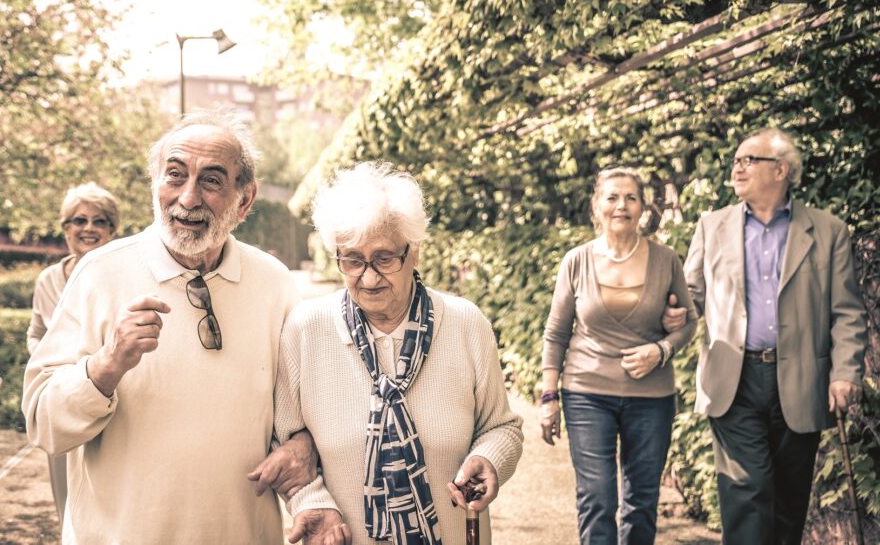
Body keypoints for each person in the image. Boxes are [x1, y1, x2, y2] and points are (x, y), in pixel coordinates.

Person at [22, 110, 316, 544]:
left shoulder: (274, 283)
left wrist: (304, 445)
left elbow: (302, 411)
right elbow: (43, 424)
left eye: (211, 180)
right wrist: (105, 365)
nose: (188, 198)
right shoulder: (99, 273)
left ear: (245, 199)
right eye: (174, 175)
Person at [271, 162, 524, 545]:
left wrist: (489, 458)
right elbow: (282, 439)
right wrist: (313, 501)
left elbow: (501, 427)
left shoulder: (465, 323)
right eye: (352, 260)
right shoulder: (306, 329)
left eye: (384, 258)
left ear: (414, 251)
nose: (369, 277)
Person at [663, 129, 866, 544]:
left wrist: (845, 372)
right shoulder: (712, 226)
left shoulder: (828, 231)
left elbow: (847, 311)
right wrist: (671, 319)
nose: (737, 169)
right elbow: (691, 297)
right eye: (735, 161)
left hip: (802, 380)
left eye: (748, 160)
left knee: (789, 506)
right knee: (747, 493)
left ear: (781, 170)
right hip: (733, 381)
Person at [540, 166, 698, 545]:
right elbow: (556, 334)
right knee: (597, 497)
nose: (621, 205)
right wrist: (549, 397)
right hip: (587, 392)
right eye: (612, 197)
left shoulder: (666, 260)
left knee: (642, 501)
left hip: (652, 397)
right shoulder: (576, 261)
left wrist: (661, 350)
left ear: (642, 206)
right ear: (597, 205)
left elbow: (689, 322)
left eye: (631, 197)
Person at [26, 182, 120, 526]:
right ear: (65, 228)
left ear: (112, 230)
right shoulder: (48, 280)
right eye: (79, 220)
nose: (89, 229)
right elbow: (36, 333)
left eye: (99, 221)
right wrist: (47, 361)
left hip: (108, 397)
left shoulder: (121, 276)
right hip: (64, 396)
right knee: (65, 500)